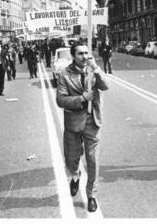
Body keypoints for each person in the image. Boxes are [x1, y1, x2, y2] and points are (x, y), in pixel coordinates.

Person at [56, 42, 110, 213]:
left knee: (93, 160)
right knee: (72, 158)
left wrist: (97, 69)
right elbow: (60, 100)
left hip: (92, 121)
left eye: (86, 53)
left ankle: (92, 195)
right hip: (73, 121)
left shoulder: (92, 69)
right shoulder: (64, 74)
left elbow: (105, 86)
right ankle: (75, 175)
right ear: (73, 55)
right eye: (80, 53)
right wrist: (81, 98)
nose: (84, 56)